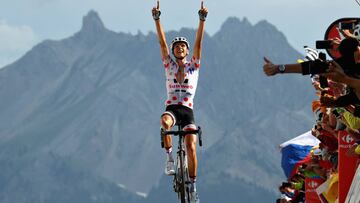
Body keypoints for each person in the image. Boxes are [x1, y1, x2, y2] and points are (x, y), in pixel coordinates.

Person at [152, 1, 208, 201]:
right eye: (177, 47)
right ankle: (169, 158)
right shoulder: (168, 65)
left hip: (188, 111)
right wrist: (157, 19)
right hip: (172, 109)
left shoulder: (194, 65)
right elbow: (162, 43)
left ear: (186, 50)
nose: (180, 48)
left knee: (191, 147)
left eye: (183, 46)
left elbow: (199, 44)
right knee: (164, 122)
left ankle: (193, 185)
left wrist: (201, 20)